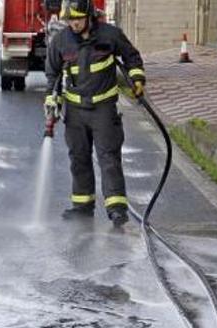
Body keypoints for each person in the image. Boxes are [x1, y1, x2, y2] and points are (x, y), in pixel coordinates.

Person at [44, 0, 145, 226]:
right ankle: (82, 206)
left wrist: (137, 79)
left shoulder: (110, 35)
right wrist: (52, 98)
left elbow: (132, 57)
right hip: (75, 111)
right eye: (70, 20)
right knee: (78, 158)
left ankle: (117, 209)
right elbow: (52, 73)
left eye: (78, 19)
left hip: (103, 109)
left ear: (89, 16)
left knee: (108, 158)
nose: (74, 24)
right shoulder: (61, 41)